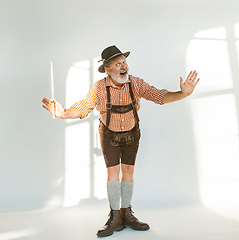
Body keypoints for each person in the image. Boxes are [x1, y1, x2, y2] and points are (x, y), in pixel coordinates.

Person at [42, 45, 200, 237]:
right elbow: (84, 106)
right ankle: (115, 216)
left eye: (124, 62)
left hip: (132, 134)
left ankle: (127, 213)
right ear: (107, 70)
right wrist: (64, 113)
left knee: (128, 172)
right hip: (109, 134)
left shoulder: (136, 83)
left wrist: (183, 94)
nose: (123, 66)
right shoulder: (100, 88)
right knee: (113, 173)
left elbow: (158, 96)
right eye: (118, 64)